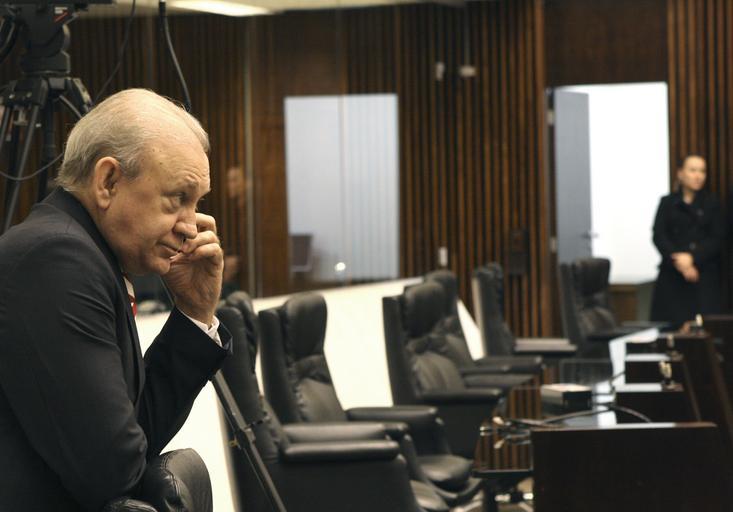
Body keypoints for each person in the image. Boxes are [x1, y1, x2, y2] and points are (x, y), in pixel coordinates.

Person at [0, 89, 231, 510]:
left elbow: (135, 436)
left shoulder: (88, 255)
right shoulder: (56, 259)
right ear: (107, 181)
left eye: (197, 203)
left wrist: (194, 312)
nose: (191, 226)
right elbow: (112, 473)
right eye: (178, 198)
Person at [650, 154, 724, 327]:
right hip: (672, 274)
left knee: (704, 330)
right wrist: (680, 261)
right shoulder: (667, 202)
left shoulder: (712, 204)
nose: (698, 176)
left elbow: (717, 238)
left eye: (702, 171)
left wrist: (692, 258)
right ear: (681, 173)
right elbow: (659, 235)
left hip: (702, 274)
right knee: (669, 328)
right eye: (692, 170)